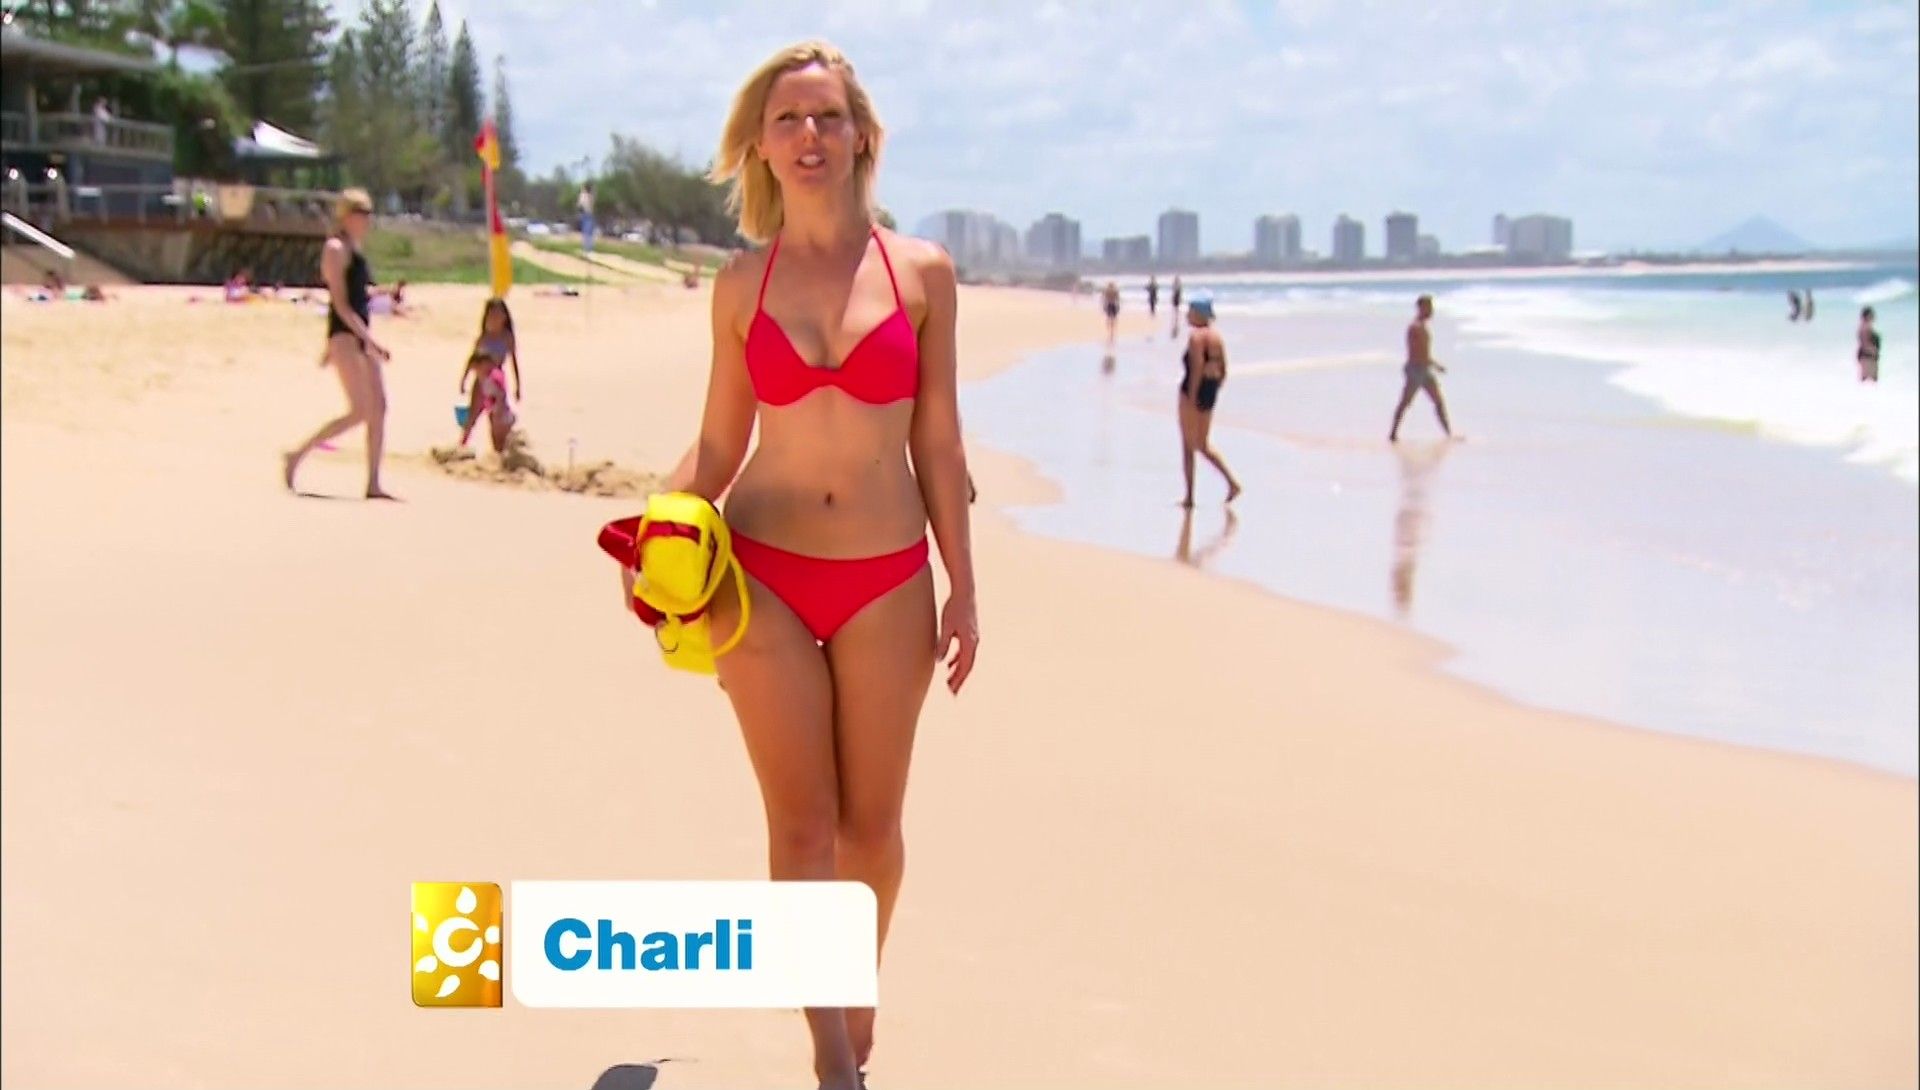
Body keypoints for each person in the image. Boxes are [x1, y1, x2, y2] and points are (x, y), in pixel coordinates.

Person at [634, 40, 977, 1089]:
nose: (809, 135)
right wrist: (657, 527)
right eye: (788, 119)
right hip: (763, 579)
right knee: (803, 823)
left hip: (888, 579)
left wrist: (965, 586)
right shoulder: (743, 285)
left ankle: (852, 998)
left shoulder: (922, 274)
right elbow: (719, 443)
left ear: (862, 135)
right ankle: (832, 1057)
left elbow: (940, 444)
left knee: (872, 831)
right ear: (761, 145)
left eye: (827, 116)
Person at [283, 188, 395, 499]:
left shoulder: (355, 249)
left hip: (361, 334)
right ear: (346, 216)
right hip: (346, 335)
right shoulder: (335, 249)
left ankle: (373, 483)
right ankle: (298, 455)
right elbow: (341, 304)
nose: (367, 220)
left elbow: (359, 296)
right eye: (361, 214)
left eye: (368, 214)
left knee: (379, 407)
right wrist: (369, 340)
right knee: (360, 410)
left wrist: (381, 294)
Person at [1177, 291, 1243, 507]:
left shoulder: (1196, 337)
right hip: (1210, 391)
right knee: (1203, 444)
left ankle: (1190, 496)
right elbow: (1223, 370)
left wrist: (1192, 395)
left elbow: (1196, 367)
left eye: (1190, 311)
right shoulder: (1217, 338)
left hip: (1192, 391)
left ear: (1199, 313)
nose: (1187, 315)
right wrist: (1212, 392)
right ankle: (1231, 482)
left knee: (1188, 446)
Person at [1389, 294, 1454, 442]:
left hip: (1425, 369)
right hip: (1415, 370)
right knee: (1405, 402)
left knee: (1438, 402)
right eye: (1429, 308)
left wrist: (1435, 365)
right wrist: (1426, 364)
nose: (1432, 311)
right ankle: (1392, 433)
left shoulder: (1423, 327)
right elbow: (1414, 352)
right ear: (1421, 308)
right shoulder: (1415, 327)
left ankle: (1449, 434)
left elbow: (1424, 352)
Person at [1857, 306, 1881, 383]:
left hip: (1868, 357)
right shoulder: (1865, 328)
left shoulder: (1865, 327)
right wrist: (1874, 353)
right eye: (1871, 315)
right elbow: (1865, 344)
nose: (1873, 316)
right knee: (1870, 381)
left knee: (1868, 382)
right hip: (1868, 358)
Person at [1102, 280, 1120, 346]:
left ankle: (1109, 326)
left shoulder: (1107, 291)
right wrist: (1118, 305)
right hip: (1114, 304)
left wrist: (1104, 305)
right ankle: (1112, 329)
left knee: (1108, 317)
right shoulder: (1115, 291)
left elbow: (1104, 299)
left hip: (1109, 304)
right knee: (1114, 317)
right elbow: (1118, 299)